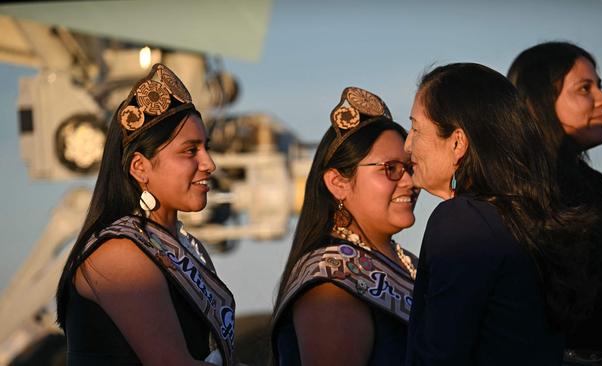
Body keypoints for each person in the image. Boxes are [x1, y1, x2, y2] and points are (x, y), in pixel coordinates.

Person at [404, 63, 596, 366]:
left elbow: (440, 353)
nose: (407, 145)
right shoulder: (526, 221)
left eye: (415, 129)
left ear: (457, 142)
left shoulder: (461, 221)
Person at [55, 64, 235, 366]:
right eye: (190, 151)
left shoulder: (185, 247)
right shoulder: (118, 254)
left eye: (206, 148)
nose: (209, 163)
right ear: (140, 167)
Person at [508, 41, 602, 363]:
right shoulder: (529, 191)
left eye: (599, 86)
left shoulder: (596, 185)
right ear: (539, 101)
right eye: (584, 88)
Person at [271, 87, 420, 366]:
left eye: (410, 167)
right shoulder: (331, 284)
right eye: (391, 169)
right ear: (338, 183)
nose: (410, 182)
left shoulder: (406, 265)